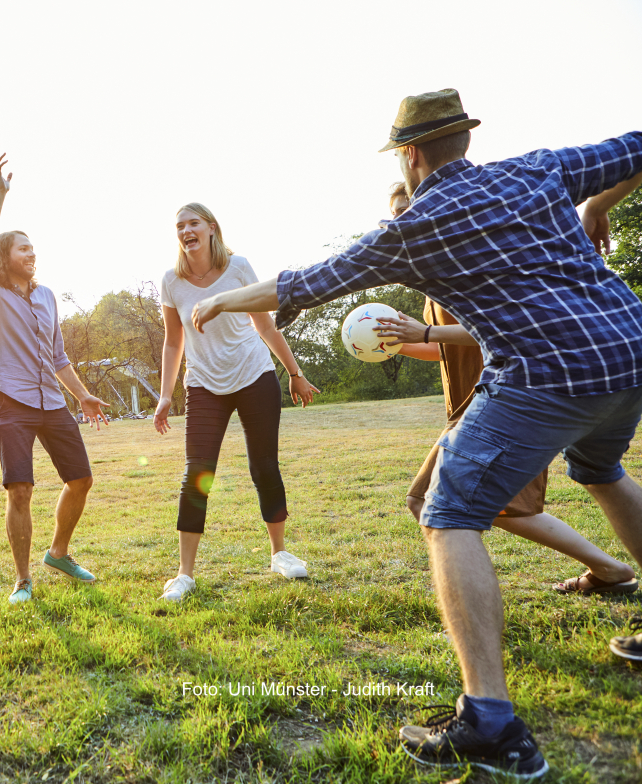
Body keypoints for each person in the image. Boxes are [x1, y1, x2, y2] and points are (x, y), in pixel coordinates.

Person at [190, 89, 642, 778]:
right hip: (628, 347)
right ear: (464, 139)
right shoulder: (536, 168)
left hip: (545, 370)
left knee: (450, 508)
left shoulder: (412, 226)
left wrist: (221, 297)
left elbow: (302, 284)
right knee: (601, 470)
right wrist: (598, 205)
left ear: (410, 154)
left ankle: (489, 721)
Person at [378, 182, 636, 598]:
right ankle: (607, 569)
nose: (403, 217)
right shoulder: (434, 271)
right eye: (397, 212)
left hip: (512, 398)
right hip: (474, 404)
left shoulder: (474, 258)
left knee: (460, 502)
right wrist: (403, 343)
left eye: (411, 205)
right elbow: (448, 349)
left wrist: (423, 329)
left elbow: (500, 329)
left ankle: (608, 569)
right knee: (428, 499)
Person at [152, 203, 319, 601]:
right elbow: (174, 341)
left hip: (253, 375)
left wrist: (294, 373)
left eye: (193, 223)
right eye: (179, 226)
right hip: (205, 384)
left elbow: (264, 324)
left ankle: (279, 553)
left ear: (211, 228)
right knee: (197, 473)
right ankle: (184, 575)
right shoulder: (171, 282)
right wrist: (163, 394)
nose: (186, 230)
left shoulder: (239, 267)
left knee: (264, 466)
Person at [0, 150, 110, 604]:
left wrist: (84, 397)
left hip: (53, 402)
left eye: (33, 248)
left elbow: (58, 356)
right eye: (23, 248)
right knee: (21, 489)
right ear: (4, 256)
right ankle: (22, 580)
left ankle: (59, 552)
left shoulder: (48, 296)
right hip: (10, 401)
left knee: (81, 480)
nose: (32, 253)